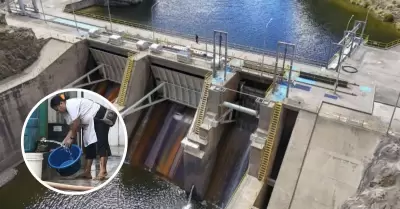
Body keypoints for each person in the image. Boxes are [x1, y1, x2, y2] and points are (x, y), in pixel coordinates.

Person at [50, 93, 114, 180]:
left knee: (101, 142)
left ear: (61, 103)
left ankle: (103, 171)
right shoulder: (65, 113)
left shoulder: (71, 105)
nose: (57, 111)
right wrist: (65, 140)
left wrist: (71, 138)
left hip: (99, 115)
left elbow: (76, 123)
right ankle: (87, 172)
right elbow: (72, 128)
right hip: (88, 122)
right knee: (88, 145)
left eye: (57, 109)